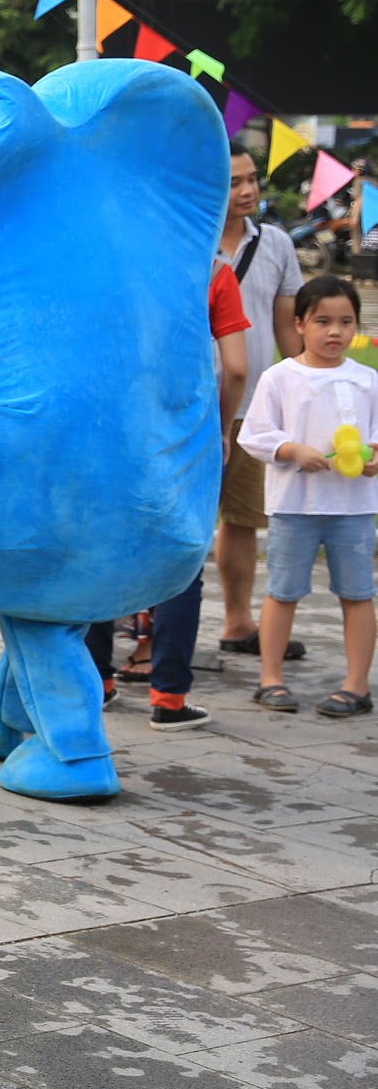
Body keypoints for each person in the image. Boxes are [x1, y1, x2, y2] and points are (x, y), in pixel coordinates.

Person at [87, 258, 249, 728]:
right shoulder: (213, 272)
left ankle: (97, 682)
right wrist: (221, 426)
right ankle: (169, 697)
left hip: (111, 428)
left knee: (106, 553)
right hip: (184, 435)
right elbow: (236, 368)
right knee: (181, 562)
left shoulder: (124, 261)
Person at [239, 275, 377, 719]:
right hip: (294, 505)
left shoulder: (367, 380)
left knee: (358, 593)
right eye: (322, 321)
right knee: (283, 591)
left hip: (353, 508)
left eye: (345, 322)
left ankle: (356, 685)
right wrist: (292, 449)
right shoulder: (280, 377)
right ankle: (270, 678)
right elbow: (255, 435)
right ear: (299, 324)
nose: (334, 332)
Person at [214, 146, 305, 663]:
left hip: (252, 405)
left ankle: (237, 621)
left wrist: (298, 393)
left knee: (242, 518)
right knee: (173, 517)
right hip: (188, 405)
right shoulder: (188, 241)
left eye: (252, 180)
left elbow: (286, 327)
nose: (247, 191)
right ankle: (148, 634)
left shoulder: (275, 244)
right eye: (234, 183)